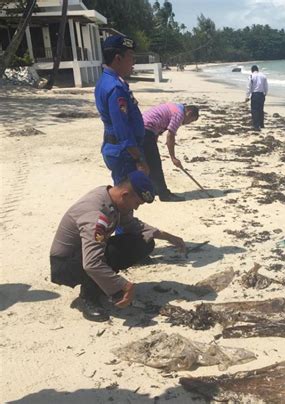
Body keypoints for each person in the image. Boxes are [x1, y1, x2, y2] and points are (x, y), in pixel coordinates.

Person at [49, 171, 186, 322]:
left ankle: (101, 285)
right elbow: (91, 263)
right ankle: (88, 297)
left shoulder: (111, 197)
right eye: (137, 204)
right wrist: (124, 285)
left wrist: (167, 236)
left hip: (85, 253)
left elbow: (131, 225)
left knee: (143, 242)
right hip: (65, 265)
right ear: (125, 195)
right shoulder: (95, 215)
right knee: (108, 254)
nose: (137, 208)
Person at [95, 35, 149, 185]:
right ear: (118, 59)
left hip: (120, 149)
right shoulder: (115, 87)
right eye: (131, 57)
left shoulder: (107, 80)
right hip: (124, 153)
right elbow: (122, 129)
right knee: (127, 198)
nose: (133, 62)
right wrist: (139, 159)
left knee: (126, 199)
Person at [142, 103, 199, 202]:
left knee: (149, 162)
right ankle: (164, 195)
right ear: (189, 113)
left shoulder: (175, 108)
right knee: (155, 165)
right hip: (146, 129)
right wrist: (173, 157)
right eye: (191, 120)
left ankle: (153, 188)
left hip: (142, 128)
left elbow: (158, 127)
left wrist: (153, 145)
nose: (187, 123)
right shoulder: (179, 114)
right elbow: (170, 135)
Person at [245, 65, 268, 131]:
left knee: (254, 110)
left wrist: (247, 96)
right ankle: (261, 124)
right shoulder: (263, 76)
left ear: (252, 70)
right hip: (261, 94)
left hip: (255, 94)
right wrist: (265, 93)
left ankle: (256, 125)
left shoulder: (251, 76)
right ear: (258, 70)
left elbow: (249, 87)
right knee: (261, 110)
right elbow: (266, 86)